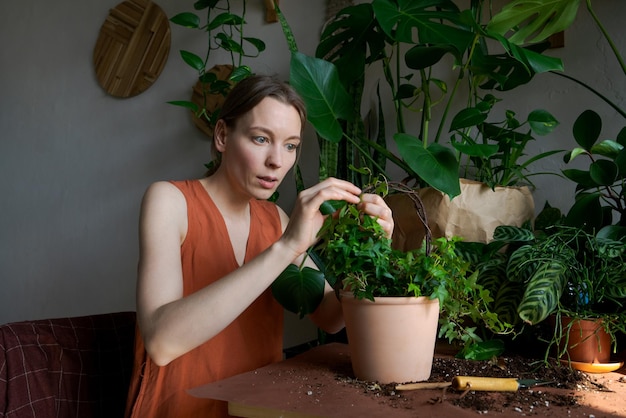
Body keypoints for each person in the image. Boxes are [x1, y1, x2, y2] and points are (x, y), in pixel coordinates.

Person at [124, 74, 394, 417]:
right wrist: (286, 247)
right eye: (261, 139)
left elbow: (331, 317)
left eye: (290, 145)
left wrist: (370, 252)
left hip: (256, 410)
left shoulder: (275, 219)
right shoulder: (169, 201)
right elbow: (161, 342)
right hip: (179, 409)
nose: (277, 161)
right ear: (222, 135)